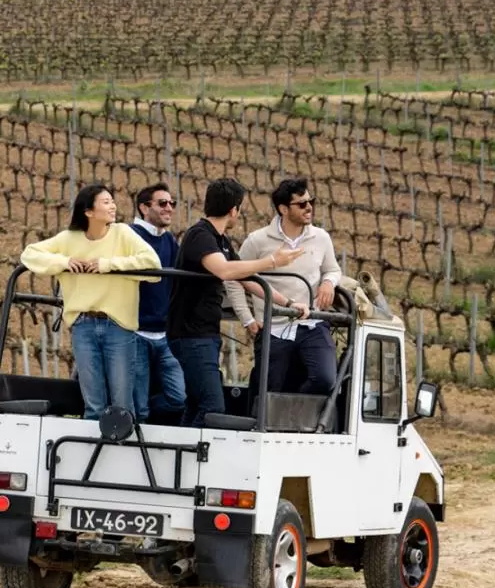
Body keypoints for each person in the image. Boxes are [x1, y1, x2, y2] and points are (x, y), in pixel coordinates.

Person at [167, 178, 304, 428]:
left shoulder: (220, 240)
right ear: (234, 209)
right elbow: (224, 271)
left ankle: (182, 459)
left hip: (203, 334)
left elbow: (247, 279)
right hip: (190, 335)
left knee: (197, 403)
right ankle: (194, 458)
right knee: (212, 406)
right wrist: (272, 261)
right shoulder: (200, 235)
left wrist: (291, 304)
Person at [20, 184, 161, 420]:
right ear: (88, 211)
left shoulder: (123, 233)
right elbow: (29, 253)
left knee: (122, 403)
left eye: (112, 201)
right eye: (106, 202)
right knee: (93, 403)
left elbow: (152, 265)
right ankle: (91, 454)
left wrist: (108, 265)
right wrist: (64, 262)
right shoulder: (69, 239)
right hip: (82, 326)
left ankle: (124, 453)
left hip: (118, 326)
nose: (113, 206)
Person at [227, 177, 342, 406]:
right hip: (273, 326)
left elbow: (333, 269)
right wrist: (247, 319)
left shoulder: (321, 238)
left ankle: (292, 410)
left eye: (311, 201)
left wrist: (328, 282)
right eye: (302, 204)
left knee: (325, 379)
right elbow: (233, 278)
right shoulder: (257, 240)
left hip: (311, 323)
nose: (309, 207)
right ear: (283, 209)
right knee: (268, 388)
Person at [130, 183, 185, 425]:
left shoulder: (170, 241)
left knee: (178, 398)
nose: (169, 208)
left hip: (163, 335)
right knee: (138, 408)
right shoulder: (129, 236)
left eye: (172, 203)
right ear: (144, 207)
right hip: (135, 333)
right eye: (162, 203)